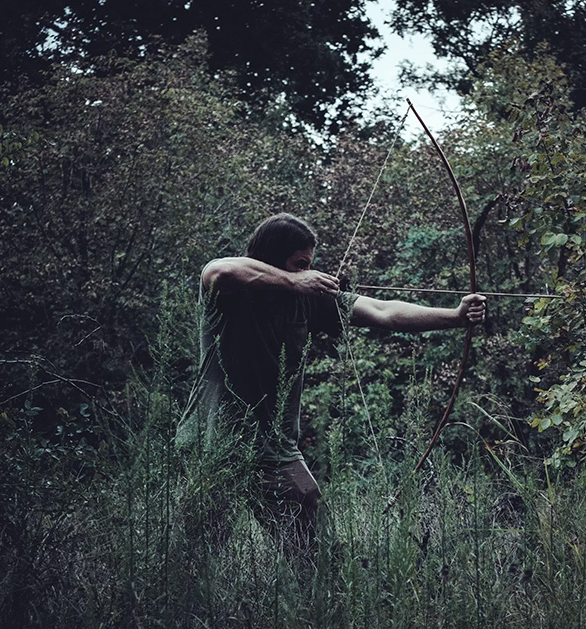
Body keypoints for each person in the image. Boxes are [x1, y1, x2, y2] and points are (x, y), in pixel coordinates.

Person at [176, 213, 486, 543]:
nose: (307, 271)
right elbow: (218, 270)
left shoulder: (309, 301)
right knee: (197, 552)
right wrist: (294, 281)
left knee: (311, 543)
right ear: (272, 256)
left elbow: (384, 312)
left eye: (309, 264)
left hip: (275, 449)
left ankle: (319, 595)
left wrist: (455, 317)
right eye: (300, 263)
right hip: (213, 443)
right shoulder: (229, 292)